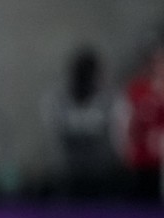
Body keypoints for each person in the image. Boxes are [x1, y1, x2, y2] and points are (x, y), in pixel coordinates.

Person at [40, 47, 119, 201]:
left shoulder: (108, 99)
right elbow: (55, 128)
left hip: (100, 173)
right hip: (68, 171)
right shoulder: (57, 99)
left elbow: (115, 132)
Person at [114, 43, 164, 203]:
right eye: (156, 62)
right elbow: (124, 123)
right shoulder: (137, 91)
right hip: (144, 159)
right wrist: (126, 148)